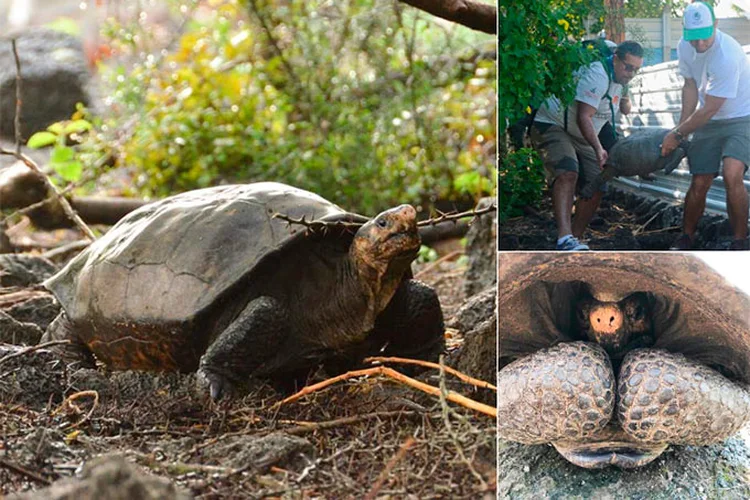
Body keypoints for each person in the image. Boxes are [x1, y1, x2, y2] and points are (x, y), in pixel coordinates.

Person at [530, 41, 643, 250]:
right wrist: (599, 149)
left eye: (636, 70)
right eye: (628, 67)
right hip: (553, 124)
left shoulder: (620, 79)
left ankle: (575, 238)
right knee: (567, 172)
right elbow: (584, 116)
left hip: (582, 133)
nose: (631, 73)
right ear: (616, 58)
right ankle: (564, 238)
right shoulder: (598, 74)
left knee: (597, 183)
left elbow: (621, 111)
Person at [661, 1, 750, 250]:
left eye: (705, 38)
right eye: (694, 38)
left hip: (741, 117)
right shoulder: (684, 47)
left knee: (732, 173)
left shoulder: (727, 55)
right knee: (700, 181)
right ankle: (687, 236)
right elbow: (690, 87)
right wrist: (680, 131)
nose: (699, 45)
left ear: (716, 25)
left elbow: (711, 107)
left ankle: (740, 241)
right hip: (706, 120)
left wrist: (677, 133)